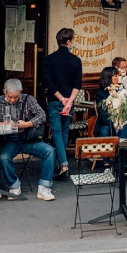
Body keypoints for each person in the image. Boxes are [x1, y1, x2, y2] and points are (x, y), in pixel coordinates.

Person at [0, 79, 55, 201]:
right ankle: (14, 185)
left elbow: (42, 116)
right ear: (4, 92)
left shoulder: (28, 99)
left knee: (49, 151)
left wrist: (27, 124)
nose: (12, 100)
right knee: (5, 158)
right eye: (9, 96)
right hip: (11, 139)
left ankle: (44, 187)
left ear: (20, 92)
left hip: (28, 138)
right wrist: (2, 124)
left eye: (15, 97)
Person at [42, 28, 82, 180]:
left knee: (57, 132)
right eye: (73, 40)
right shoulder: (76, 60)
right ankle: (62, 164)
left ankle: (63, 164)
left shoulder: (48, 59)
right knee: (64, 132)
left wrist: (61, 99)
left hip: (54, 100)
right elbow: (77, 84)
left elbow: (49, 83)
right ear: (68, 42)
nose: (73, 42)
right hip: (69, 101)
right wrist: (69, 101)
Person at [93, 66, 118, 138]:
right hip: (107, 122)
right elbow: (102, 115)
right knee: (105, 130)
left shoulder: (120, 89)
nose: (117, 78)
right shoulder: (101, 93)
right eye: (115, 76)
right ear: (108, 77)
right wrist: (113, 124)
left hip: (120, 122)